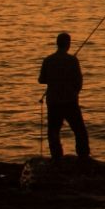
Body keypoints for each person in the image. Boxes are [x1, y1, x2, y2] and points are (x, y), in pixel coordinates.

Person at [38, 31, 90, 160]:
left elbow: (41, 79)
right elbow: (78, 81)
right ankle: (83, 155)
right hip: (70, 101)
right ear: (67, 44)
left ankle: (56, 156)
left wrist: (53, 80)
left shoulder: (48, 60)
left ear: (57, 44)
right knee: (79, 130)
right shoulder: (72, 60)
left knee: (53, 130)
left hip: (53, 101)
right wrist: (74, 93)